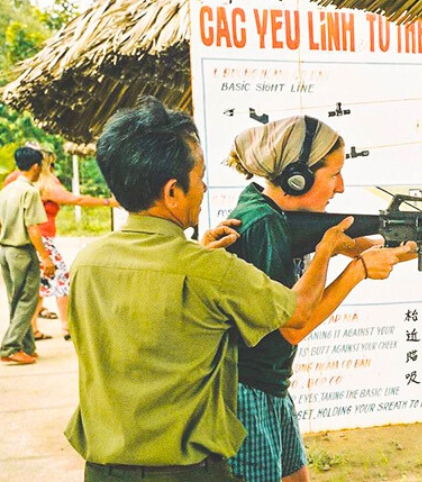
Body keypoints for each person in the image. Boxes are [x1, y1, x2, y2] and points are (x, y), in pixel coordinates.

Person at [65, 97, 356, 482]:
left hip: (104, 470)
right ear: (172, 192)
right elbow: (298, 312)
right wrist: (330, 251)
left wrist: (198, 257)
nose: (204, 188)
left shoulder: (87, 263)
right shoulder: (208, 269)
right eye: (200, 177)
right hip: (187, 471)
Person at [225, 115, 422, 482]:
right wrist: (356, 272)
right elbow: (292, 327)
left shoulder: (274, 215)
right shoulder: (264, 225)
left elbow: (366, 245)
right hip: (247, 391)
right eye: (334, 175)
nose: (341, 187)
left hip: (270, 385)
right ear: (298, 178)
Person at [5, 146, 118, 341]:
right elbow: (76, 199)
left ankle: (33, 328)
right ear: (39, 165)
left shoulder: (13, 181)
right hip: (41, 239)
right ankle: (65, 326)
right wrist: (108, 202)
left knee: (37, 286)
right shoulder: (45, 183)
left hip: (22, 241)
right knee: (61, 280)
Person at [0, 145, 55, 365]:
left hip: (5, 250)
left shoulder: (6, 190)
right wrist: (46, 258)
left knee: (16, 299)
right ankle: (10, 346)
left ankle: (27, 347)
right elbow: (33, 228)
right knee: (28, 299)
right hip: (22, 251)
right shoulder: (29, 192)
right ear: (36, 166)